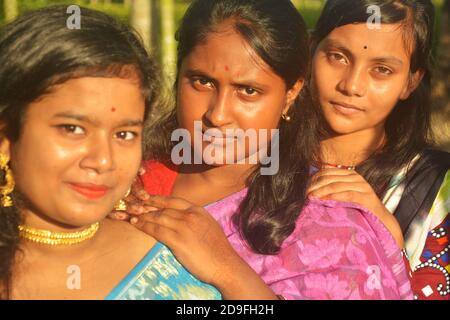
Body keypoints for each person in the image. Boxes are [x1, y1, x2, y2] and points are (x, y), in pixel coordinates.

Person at [115, 0, 413, 300]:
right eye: (202, 82)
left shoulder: (332, 226)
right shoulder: (123, 183)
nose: (218, 115)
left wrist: (227, 271)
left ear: (290, 94)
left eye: (248, 91)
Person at [0, 5, 221, 300]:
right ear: (5, 136)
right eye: (73, 129)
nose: (103, 160)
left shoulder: (171, 261)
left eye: (124, 134)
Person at [307, 0, 450, 300]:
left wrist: (386, 235)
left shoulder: (438, 191)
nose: (352, 85)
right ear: (311, 50)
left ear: (411, 81)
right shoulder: (255, 159)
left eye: (382, 70)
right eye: (338, 57)